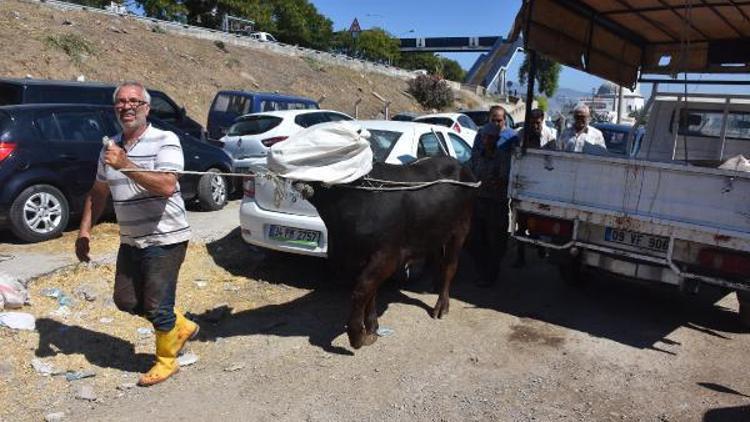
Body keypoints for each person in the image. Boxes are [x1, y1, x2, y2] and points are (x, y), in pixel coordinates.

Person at [75, 81, 198, 387]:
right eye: (120, 102)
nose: (126, 106)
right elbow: (98, 192)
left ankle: (166, 361)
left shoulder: (165, 140)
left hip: (166, 236)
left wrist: (126, 164)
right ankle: (179, 326)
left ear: (146, 108)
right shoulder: (111, 147)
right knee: (125, 300)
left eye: (134, 101)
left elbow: (167, 185)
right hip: (131, 237)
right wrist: (84, 231)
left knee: (157, 305)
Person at [468, 106, 518, 287]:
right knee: (475, 239)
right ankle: (483, 271)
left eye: (490, 138)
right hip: (479, 201)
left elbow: (504, 178)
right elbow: (471, 169)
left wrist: (495, 182)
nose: (486, 140)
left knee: (495, 241)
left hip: (496, 203)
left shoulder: (503, 157)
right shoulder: (478, 155)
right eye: (484, 137)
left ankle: (490, 274)